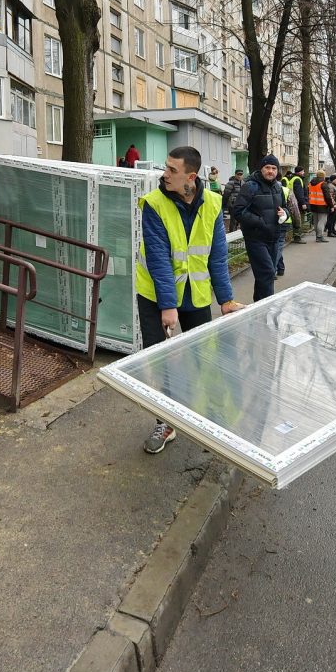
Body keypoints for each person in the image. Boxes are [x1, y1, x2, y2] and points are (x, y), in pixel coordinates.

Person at [138, 145, 241, 454]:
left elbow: (218, 256)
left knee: (204, 355)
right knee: (161, 360)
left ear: (191, 177)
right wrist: (167, 305)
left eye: (172, 170)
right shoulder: (153, 203)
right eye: (165, 167)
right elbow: (157, 259)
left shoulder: (211, 202)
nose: (164, 174)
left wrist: (226, 299)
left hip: (194, 294)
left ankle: (212, 414)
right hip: (156, 295)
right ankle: (166, 422)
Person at [233, 155, 287, 301]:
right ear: (261, 169)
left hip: (274, 237)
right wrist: (261, 222)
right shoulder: (250, 186)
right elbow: (238, 211)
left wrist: (285, 213)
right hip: (256, 239)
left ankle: (259, 306)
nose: (270, 171)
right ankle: (267, 308)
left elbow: (285, 207)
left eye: (274, 168)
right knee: (268, 273)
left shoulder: (278, 187)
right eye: (267, 167)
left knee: (265, 275)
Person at [306, 172, 333, 243]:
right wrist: (331, 206)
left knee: (316, 221)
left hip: (313, 204)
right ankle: (319, 237)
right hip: (322, 205)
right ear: (323, 176)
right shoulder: (323, 184)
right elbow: (327, 197)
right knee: (322, 221)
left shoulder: (310, 184)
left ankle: (317, 236)